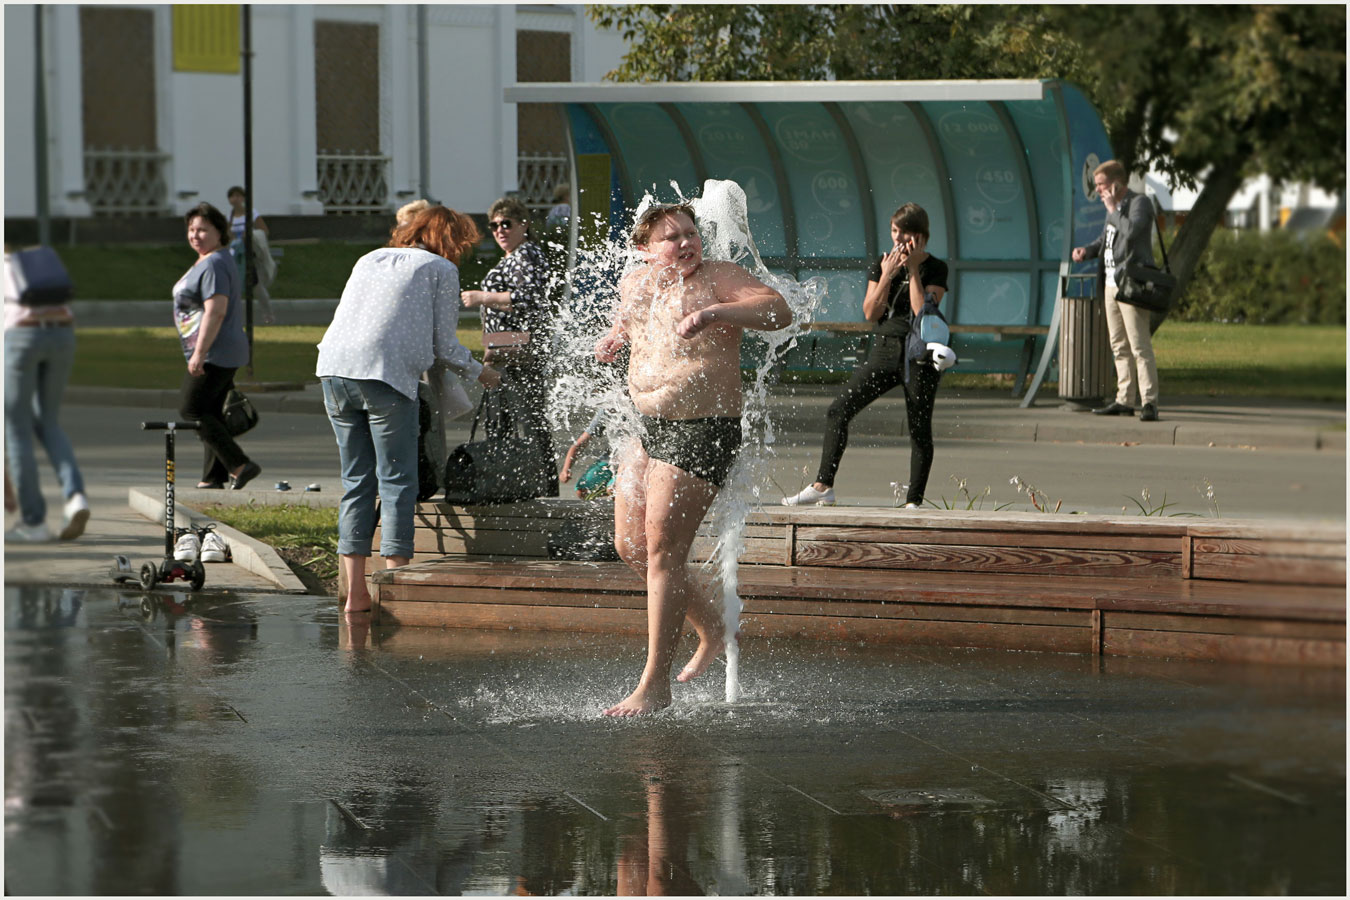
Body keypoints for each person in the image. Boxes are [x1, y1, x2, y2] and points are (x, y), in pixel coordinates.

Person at [595, 203, 792, 716]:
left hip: (704, 427)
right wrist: (616, 336)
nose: (686, 244)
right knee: (630, 545)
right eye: (671, 238)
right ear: (645, 248)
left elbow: (778, 310)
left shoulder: (718, 278)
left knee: (662, 546)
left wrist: (714, 313)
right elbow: (633, 323)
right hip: (649, 427)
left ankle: (655, 685)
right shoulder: (636, 282)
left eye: (691, 233)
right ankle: (714, 628)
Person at [316, 205, 501, 614]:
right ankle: (394, 586)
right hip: (384, 375)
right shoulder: (439, 269)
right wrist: (480, 372)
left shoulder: (368, 258)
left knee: (356, 480)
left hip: (332, 370)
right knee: (397, 480)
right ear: (449, 238)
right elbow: (444, 345)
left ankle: (356, 594)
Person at [783, 202, 947, 509]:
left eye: (905, 233)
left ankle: (914, 501)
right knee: (838, 410)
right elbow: (871, 313)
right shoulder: (882, 263)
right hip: (885, 350)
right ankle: (823, 485)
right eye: (894, 231)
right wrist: (887, 275)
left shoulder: (936, 268)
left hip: (918, 354)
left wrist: (912, 271)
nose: (898, 240)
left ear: (921, 236)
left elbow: (920, 313)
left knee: (919, 427)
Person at [461, 196, 558, 495]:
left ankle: (524, 484)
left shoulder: (525, 254)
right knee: (518, 416)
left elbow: (527, 298)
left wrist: (480, 297)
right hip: (510, 348)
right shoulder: (517, 254)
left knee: (517, 417)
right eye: (494, 226)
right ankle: (522, 481)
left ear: (524, 225)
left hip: (517, 350)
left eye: (507, 224)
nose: (500, 230)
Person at [173, 202, 263, 492]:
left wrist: (199, 353)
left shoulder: (213, 263)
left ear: (219, 232)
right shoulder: (211, 259)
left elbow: (216, 311)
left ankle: (239, 464)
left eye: (203, 229)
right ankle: (213, 477)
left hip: (215, 350)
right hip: (216, 348)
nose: (195, 235)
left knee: (193, 409)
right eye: (191, 229)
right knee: (210, 410)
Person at [3, 249, 90, 542]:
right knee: (48, 421)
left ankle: (34, 522)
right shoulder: (20, 261)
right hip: (62, 332)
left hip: (22, 335)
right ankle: (76, 497)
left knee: (16, 429)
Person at [1073, 160, 1162, 422]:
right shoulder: (1112, 209)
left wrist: (1113, 209)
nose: (1098, 190)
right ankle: (1125, 399)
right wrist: (1087, 251)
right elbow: (1106, 239)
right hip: (1111, 285)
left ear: (1116, 184)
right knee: (1119, 345)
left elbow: (1132, 232)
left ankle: (1149, 402)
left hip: (1131, 284)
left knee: (1139, 344)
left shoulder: (1139, 203)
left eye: (1101, 185)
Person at [226, 186, 275, 324]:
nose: (235, 199)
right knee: (233, 286)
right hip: (237, 255)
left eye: (238, 196)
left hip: (251, 255)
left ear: (243, 198)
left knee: (256, 286)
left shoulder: (252, 213)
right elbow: (227, 235)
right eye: (232, 196)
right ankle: (231, 317)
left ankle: (268, 314)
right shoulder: (230, 216)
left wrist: (249, 236)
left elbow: (264, 231)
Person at [560, 408, 614, 499]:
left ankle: (613, 488)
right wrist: (566, 470)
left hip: (631, 459)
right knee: (582, 491)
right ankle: (611, 487)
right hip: (610, 458)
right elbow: (579, 444)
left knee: (614, 489)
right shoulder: (607, 409)